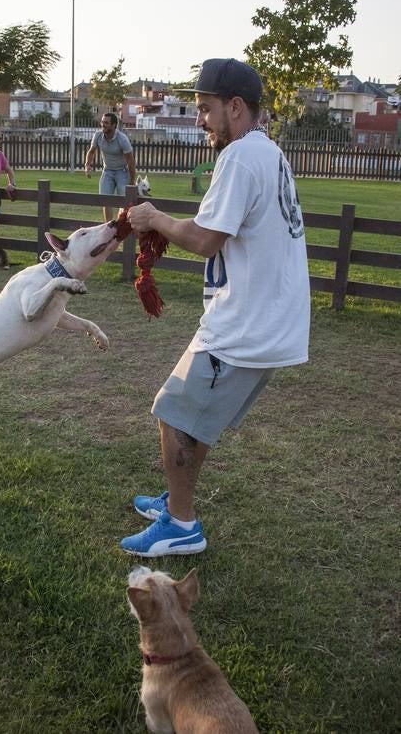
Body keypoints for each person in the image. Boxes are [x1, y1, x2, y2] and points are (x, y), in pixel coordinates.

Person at [121, 58, 310, 558]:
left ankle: (182, 524)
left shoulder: (241, 157)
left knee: (173, 413)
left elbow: (206, 239)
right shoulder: (266, 152)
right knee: (193, 420)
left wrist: (155, 217)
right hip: (261, 320)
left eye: (205, 109)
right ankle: (175, 501)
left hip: (245, 325)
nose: (200, 120)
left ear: (236, 107)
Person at [84, 112, 136, 222]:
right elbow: (91, 151)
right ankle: (109, 226)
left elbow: (131, 161)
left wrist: (132, 180)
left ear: (113, 125)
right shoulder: (98, 136)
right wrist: (87, 165)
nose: (103, 125)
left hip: (122, 171)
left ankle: (120, 226)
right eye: (102, 122)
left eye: (106, 123)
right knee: (105, 200)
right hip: (107, 171)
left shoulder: (122, 139)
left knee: (124, 202)